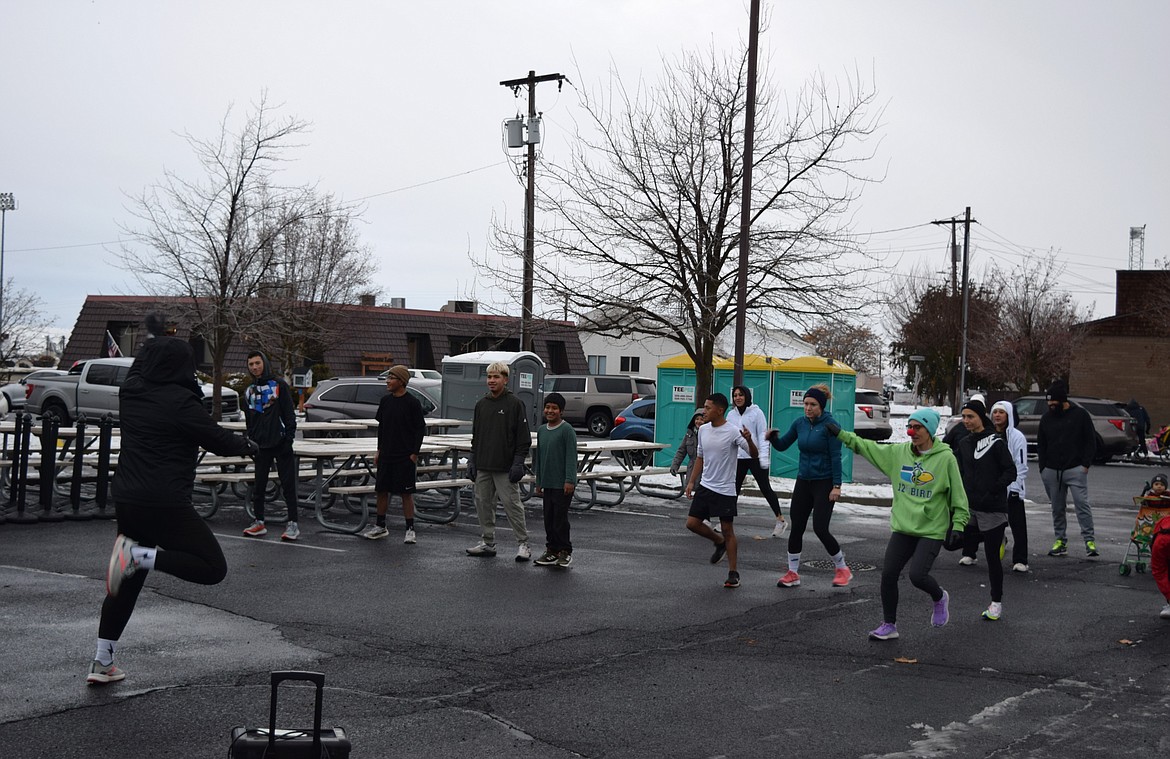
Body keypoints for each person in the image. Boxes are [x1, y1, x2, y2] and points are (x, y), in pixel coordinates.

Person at [89, 315, 256, 685]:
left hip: (129, 497)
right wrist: (248, 445)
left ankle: (102, 660)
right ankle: (139, 557)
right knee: (212, 568)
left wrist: (151, 337)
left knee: (126, 583)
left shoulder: (131, 391)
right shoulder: (180, 401)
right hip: (164, 499)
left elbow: (140, 367)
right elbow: (217, 438)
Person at [834, 408, 969, 640]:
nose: (911, 432)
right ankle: (889, 625)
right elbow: (867, 447)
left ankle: (939, 597)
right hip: (904, 526)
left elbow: (958, 495)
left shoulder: (945, 458)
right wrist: (841, 434)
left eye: (918, 427)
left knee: (918, 576)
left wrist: (959, 524)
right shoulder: (898, 454)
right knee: (888, 575)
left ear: (930, 430)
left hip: (931, 529)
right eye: (910, 426)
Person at [765, 384, 851, 588]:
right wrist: (772, 438)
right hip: (804, 480)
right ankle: (792, 573)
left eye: (812, 404)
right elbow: (783, 444)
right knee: (797, 527)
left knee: (820, 528)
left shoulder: (830, 426)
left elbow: (836, 457)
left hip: (825, 482)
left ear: (821, 406)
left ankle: (842, 568)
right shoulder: (800, 423)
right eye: (805, 404)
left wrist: (836, 486)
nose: (808, 408)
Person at [684, 393, 758, 589]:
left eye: (708, 408)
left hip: (725, 489)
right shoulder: (703, 430)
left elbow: (754, 454)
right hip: (706, 485)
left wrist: (749, 440)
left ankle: (733, 573)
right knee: (692, 523)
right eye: (704, 407)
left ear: (719, 410)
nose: (704, 411)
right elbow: (700, 457)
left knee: (728, 530)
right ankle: (718, 542)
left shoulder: (733, 431)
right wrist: (691, 482)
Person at [954, 400, 1016, 621]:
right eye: (964, 417)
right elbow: (959, 473)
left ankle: (996, 603)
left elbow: (1011, 472)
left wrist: (992, 490)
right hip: (969, 508)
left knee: (991, 558)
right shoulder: (964, 443)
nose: (966, 421)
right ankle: (981, 538)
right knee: (950, 543)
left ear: (981, 417)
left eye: (971, 416)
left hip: (992, 509)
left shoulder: (996, 442)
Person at [466, 361, 532, 560]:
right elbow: (476, 436)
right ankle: (487, 542)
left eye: (496, 377)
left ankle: (523, 544)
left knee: (512, 505)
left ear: (505, 379)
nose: (491, 381)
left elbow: (523, 437)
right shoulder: (481, 405)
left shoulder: (514, 404)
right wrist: (472, 459)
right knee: (483, 504)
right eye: (489, 377)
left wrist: (518, 462)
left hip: (505, 466)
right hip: (483, 465)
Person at [360, 365, 426, 543]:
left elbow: (420, 429)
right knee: (381, 490)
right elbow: (382, 428)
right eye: (388, 378)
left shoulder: (412, 403)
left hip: (404, 455)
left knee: (406, 493)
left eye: (392, 378)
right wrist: (378, 450)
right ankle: (380, 526)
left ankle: (410, 528)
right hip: (386, 454)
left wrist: (414, 453)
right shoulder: (385, 401)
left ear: (401, 381)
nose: (388, 382)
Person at [241, 351, 300, 541]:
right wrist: (251, 439)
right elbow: (250, 419)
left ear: (264, 363)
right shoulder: (249, 390)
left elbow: (290, 416)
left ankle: (292, 524)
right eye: (251, 364)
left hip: (281, 442)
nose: (254, 367)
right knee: (259, 485)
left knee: (288, 485)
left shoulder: (279, 385)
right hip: (260, 445)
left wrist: (288, 439)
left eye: (257, 363)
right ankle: (259, 521)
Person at [1037, 380, 1098, 557]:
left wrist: (1085, 464)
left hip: (1075, 469)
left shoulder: (1080, 415)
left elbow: (1090, 441)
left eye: (1053, 402)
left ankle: (1089, 541)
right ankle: (1060, 541)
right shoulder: (1046, 418)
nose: (1050, 405)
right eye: (1048, 402)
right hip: (1051, 470)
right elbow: (1042, 443)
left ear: (1063, 400)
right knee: (1057, 507)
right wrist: (1043, 467)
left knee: (1082, 505)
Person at [728, 385, 787, 539]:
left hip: (755, 456)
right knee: (733, 489)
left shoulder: (757, 413)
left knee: (765, 488)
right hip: (738, 457)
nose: (738, 398)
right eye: (735, 395)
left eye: (741, 395)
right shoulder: (731, 415)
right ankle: (726, 522)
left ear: (747, 396)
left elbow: (762, 434)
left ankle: (780, 520)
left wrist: (764, 457)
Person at [532, 392, 578, 568]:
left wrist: (569, 480)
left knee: (560, 519)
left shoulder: (567, 430)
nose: (550, 411)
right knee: (548, 519)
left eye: (554, 408)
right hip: (548, 483)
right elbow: (540, 458)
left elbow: (571, 458)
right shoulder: (542, 431)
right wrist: (539, 481)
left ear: (561, 411)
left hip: (562, 484)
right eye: (547, 407)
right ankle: (552, 550)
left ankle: (565, 551)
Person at [991, 400, 1030, 572]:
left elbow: (1021, 464)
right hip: (993, 488)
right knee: (991, 524)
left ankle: (1020, 559)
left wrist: (1015, 487)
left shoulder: (1017, 437)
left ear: (1009, 415)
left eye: (1001, 412)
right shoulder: (989, 435)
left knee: (1017, 525)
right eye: (995, 412)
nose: (997, 415)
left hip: (1012, 489)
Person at [1142, 474, 1170, 620]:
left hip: (1160, 538)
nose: (1158, 487)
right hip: (1161, 534)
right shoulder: (1150, 498)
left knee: (1159, 570)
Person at [669, 410, 705, 477]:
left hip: (705, 470)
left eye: (702, 419)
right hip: (691, 469)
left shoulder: (709, 434)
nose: (699, 422)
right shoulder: (689, 434)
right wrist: (675, 465)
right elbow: (681, 451)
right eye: (697, 419)